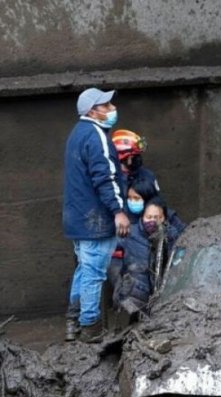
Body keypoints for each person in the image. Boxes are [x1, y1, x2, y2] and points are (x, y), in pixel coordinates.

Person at [63, 87, 129, 343]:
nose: (112, 109)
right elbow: (107, 178)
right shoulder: (97, 136)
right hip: (95, 220)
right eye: (107, 106)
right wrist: (119, 211)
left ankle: (73, 323)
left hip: (78, 218)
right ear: (93, 111)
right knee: (94, 273)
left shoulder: (77, 134)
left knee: (84, 268)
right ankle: (90, 328)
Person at [114, 197, 182, 316]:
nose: (152, 221)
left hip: (161, 297)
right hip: (133, 296)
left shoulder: (172, 235)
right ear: (142, 217)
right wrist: (118, 284)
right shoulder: (129, 234)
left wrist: (170, 239)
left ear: (164, 218)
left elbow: (177, 262)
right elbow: (112, 262)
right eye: (149, 217)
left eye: (157, 218)